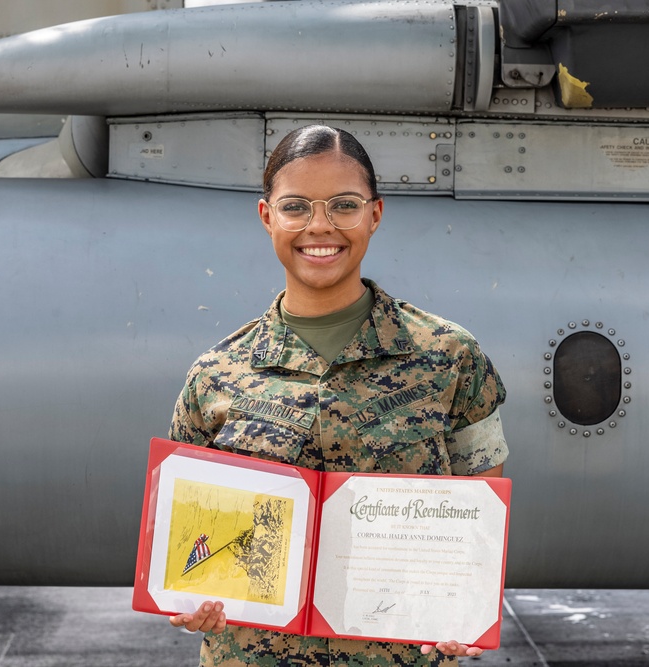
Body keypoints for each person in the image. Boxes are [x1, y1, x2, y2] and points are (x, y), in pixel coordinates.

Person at [167, 124, 508, 666]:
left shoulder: (448, 357)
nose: (319, 226)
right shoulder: (215, 374)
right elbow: (190, 543)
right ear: (267, 216)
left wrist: (465, 611)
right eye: (296, 206)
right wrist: (190, 603)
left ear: (375, 214)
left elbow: (482, 504)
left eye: (344, 205)